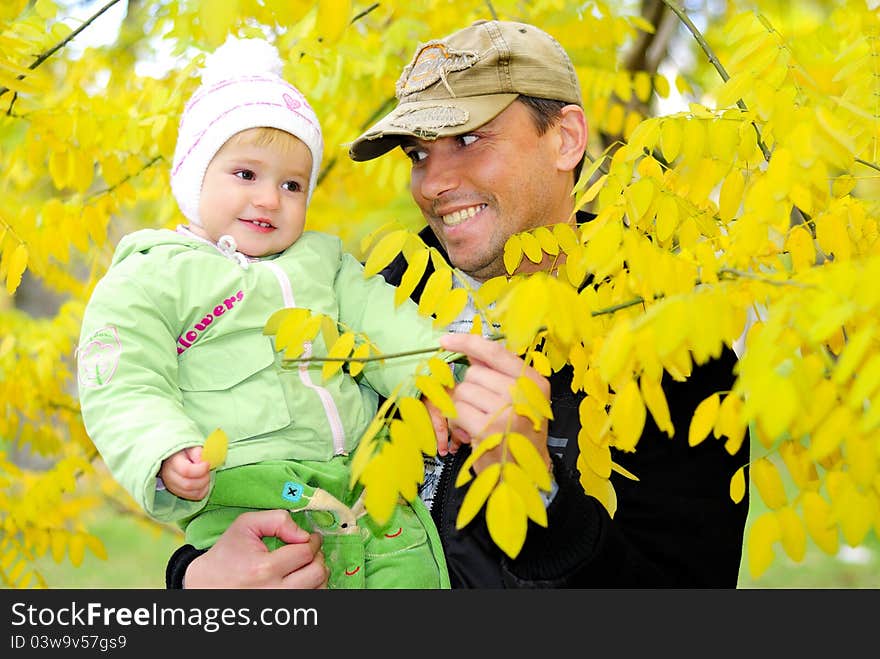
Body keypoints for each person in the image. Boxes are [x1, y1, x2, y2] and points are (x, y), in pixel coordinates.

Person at [166, 19, 749, 589]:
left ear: (566, 137)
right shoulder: (370, 293)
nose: (433, 183)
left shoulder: (665, 334)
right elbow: (270, 472)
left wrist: (539, 497)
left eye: (469, 139)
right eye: (418, 154)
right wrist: (196, 578)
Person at [76, 36, 453, 590]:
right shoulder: (153, 275)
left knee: (411, 572)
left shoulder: (324, 263)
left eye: (292, 184)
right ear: (194, 176)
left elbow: (385, 322)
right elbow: (123, 378)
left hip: (365, 481)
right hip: (252, 493)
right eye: (246, 175)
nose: (270, 199)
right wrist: (162, 449)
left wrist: (430, 382)